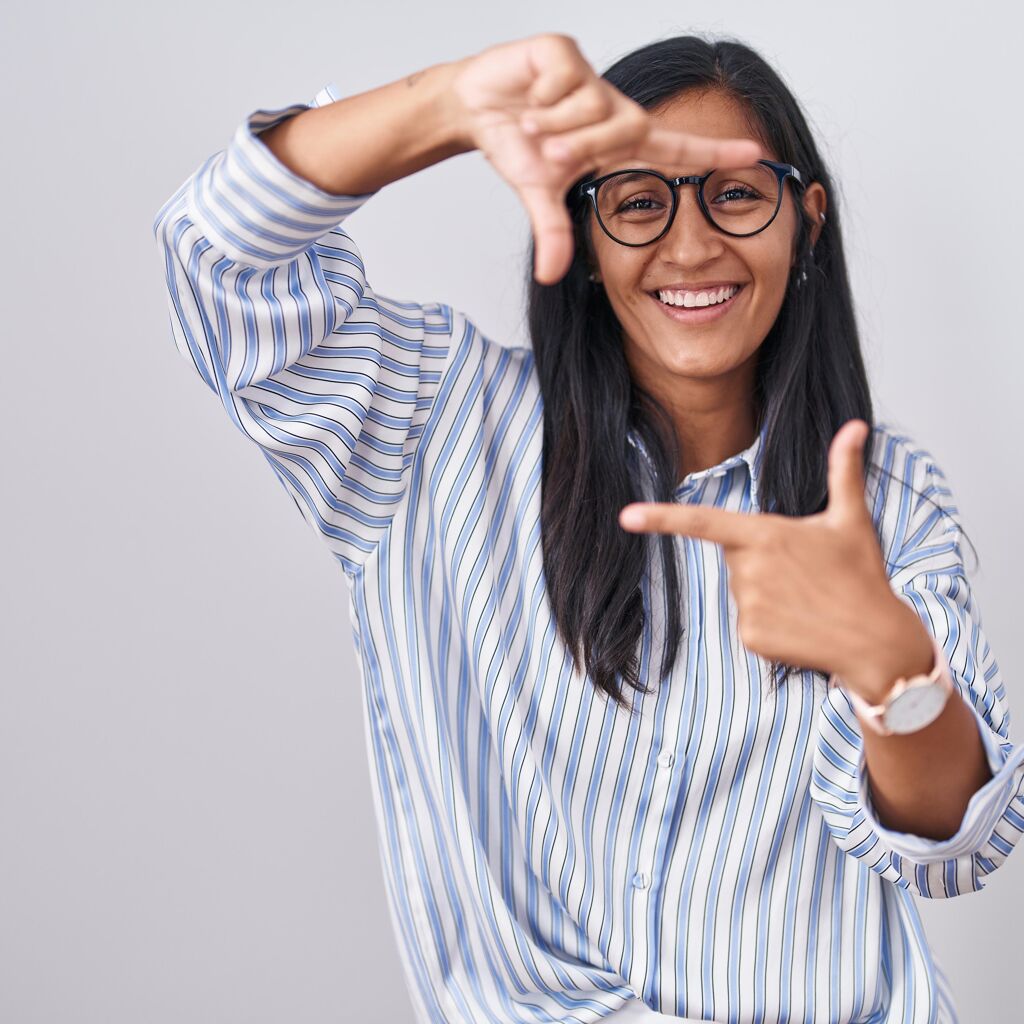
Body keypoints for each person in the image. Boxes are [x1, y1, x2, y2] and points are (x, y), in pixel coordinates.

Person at [151, 32, 1024, 1024]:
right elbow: (216, 256)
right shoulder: (435, 423)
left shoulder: (884, 497)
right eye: (638, 200)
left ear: (806, 224)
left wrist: (889, 669)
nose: (690, 247)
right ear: (585, 236)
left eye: (735, 195)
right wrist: (443, 105)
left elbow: (955, 843)